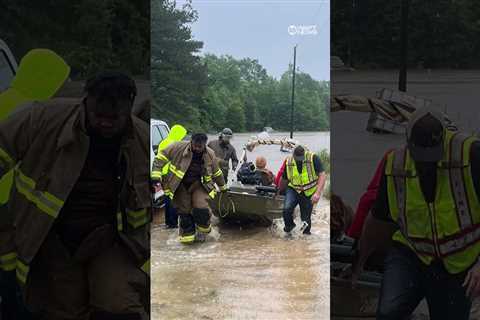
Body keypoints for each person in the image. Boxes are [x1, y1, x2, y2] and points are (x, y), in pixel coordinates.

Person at [0, 72, 150, 320]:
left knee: (120, 309)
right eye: (98, 116)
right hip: (52, 237)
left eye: (114, 118)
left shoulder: (142, 141)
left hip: (111, 240)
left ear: (129, 109)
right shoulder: (43, 119)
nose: (105, 123)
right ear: (86, 101)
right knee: (65, 311)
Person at [355, 107, 480, 320]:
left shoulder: (472, 155)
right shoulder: (395, 165)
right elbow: (378, 221)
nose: (427, 163)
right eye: (421, 156)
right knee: (388, 312)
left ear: (445, 140)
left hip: (459, 261)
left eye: (432, 155)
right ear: (408, 142)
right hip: (411, 252)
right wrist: (359, 261)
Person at [151, 133, 227, 244]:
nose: (196, 148)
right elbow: (161, 157)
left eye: (200, 147)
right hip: (180, 185)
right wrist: (155, 176)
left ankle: (205, 229)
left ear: (204, 145)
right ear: (191, 141)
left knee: (201, 208)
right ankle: (187, 239)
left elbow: (217, 173)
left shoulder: (210, 154)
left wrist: (223, 187)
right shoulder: (177, 147)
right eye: (195, 145)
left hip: (199, 185)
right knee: (184, 213)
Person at [279, 145, 326, 235]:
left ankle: (305, 240)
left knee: (305, 219)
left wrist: (317, 193)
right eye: (297, 158)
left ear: (304, 154)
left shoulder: (313, 158)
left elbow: (322, 175)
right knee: (286, 209)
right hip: (293, 189)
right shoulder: (288, 161)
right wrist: (279, 190)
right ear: (293, 155)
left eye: (301, 158)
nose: (299, 160)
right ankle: (289, 227)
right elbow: (284, 178)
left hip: (309, 191)